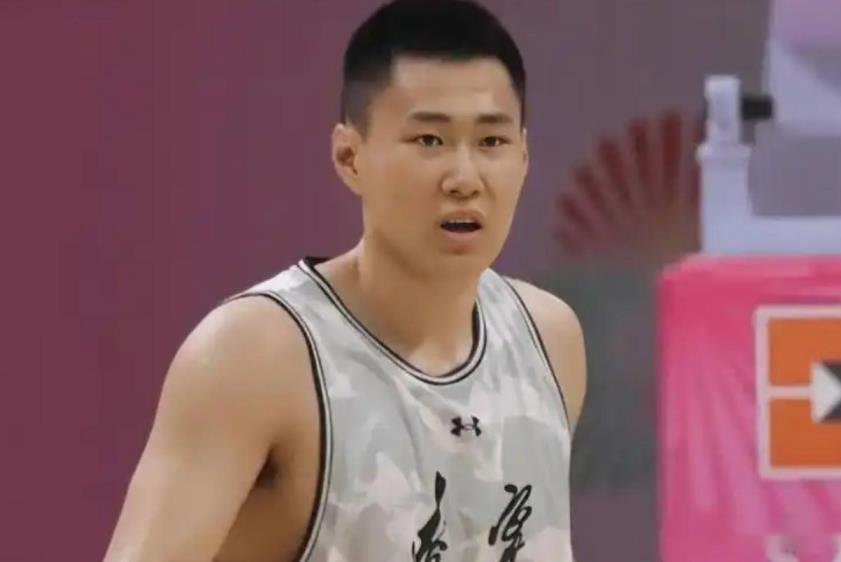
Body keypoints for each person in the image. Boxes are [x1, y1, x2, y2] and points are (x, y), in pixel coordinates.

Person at [103, 0, 587, 560]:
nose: (464, 177)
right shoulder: (257, 357)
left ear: (524, 156)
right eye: (429, 141)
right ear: (349, 156)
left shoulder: (548, 340)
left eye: (491, 142)